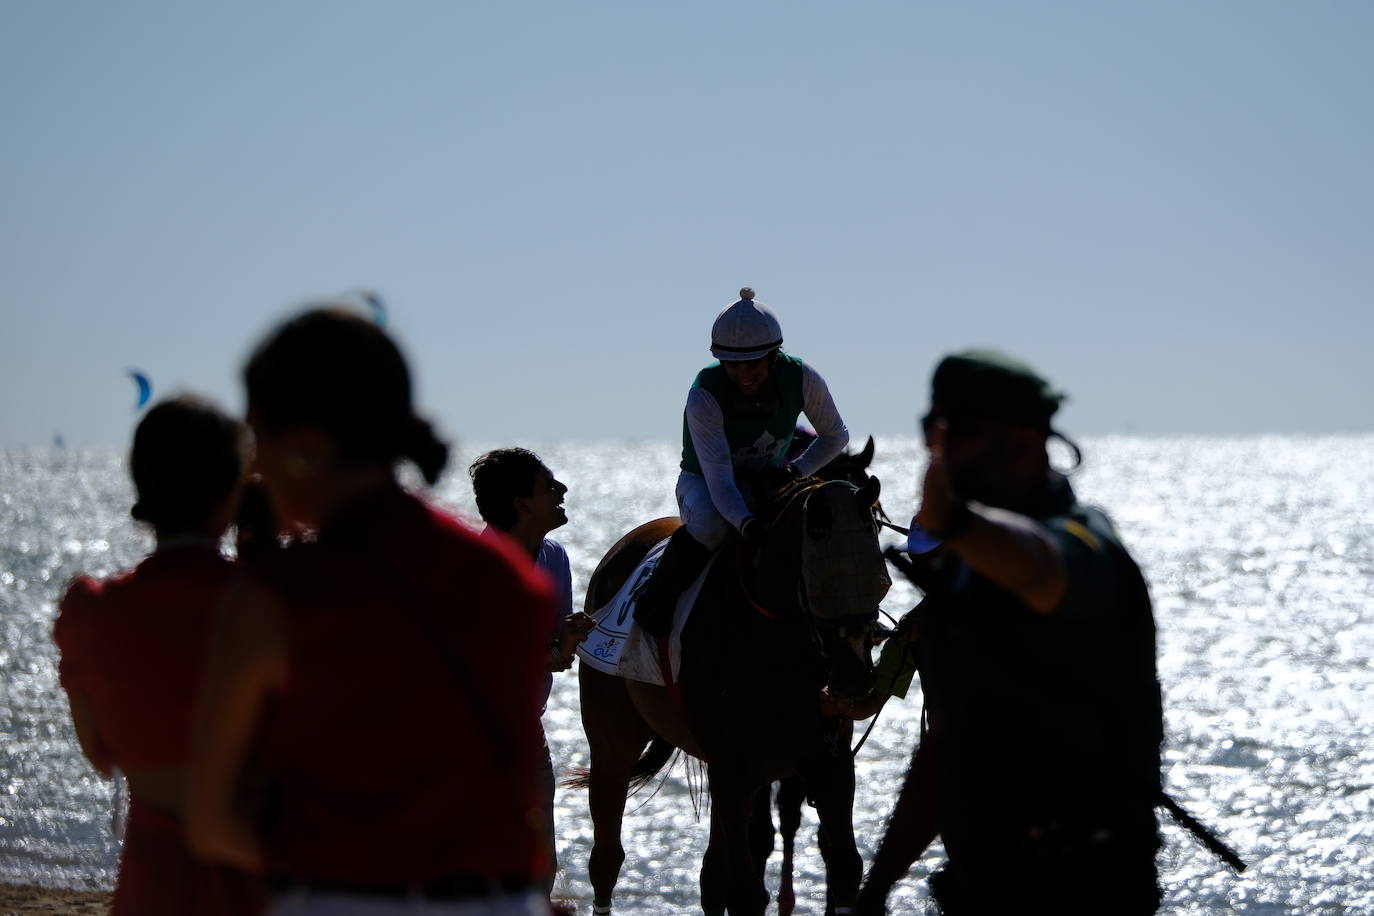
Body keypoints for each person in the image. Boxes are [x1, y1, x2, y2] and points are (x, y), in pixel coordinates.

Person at [186, 308, 557, 916]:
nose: (254, 465)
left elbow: (211, 821)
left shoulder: (270, 600)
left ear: (306, 445)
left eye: (260, 437)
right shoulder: (512, 587)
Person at [856, 349, 1165, 915]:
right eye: (933, 430)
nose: (937, 448)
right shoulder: (971, 572)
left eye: (953, 433)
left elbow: (1044, 569)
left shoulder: (1087, 546)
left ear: (1021, 443)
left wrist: (951, 520)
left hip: (1086, 892)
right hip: (981, 886)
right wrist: (872, 893)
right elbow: (947, 748)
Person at [53, 395, 264, 915]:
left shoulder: (92, 612)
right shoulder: (271, 607)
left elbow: (99, 754)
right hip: (256, 878)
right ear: (231, 491)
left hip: (151, 883)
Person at [635, 287, 851, 634]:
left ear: (774, 355)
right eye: (732, 366)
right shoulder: (704, 393)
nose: (744, 375)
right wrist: (747, 524)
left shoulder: (803, 377)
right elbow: (720, 480)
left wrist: (795, 472)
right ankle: (653, 600)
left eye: (753, 364)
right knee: (711, 526)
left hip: (768, 480)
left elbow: (836, 436)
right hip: (705, 483)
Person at [468, 448, 596, 901]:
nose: (562, 492)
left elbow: (551, 656)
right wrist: (554, 647)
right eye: (549, 487)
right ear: (522, 506)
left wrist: (568, 640)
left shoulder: (554, 557)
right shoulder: (473, 567)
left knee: (539, 868)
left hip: (526, 730)